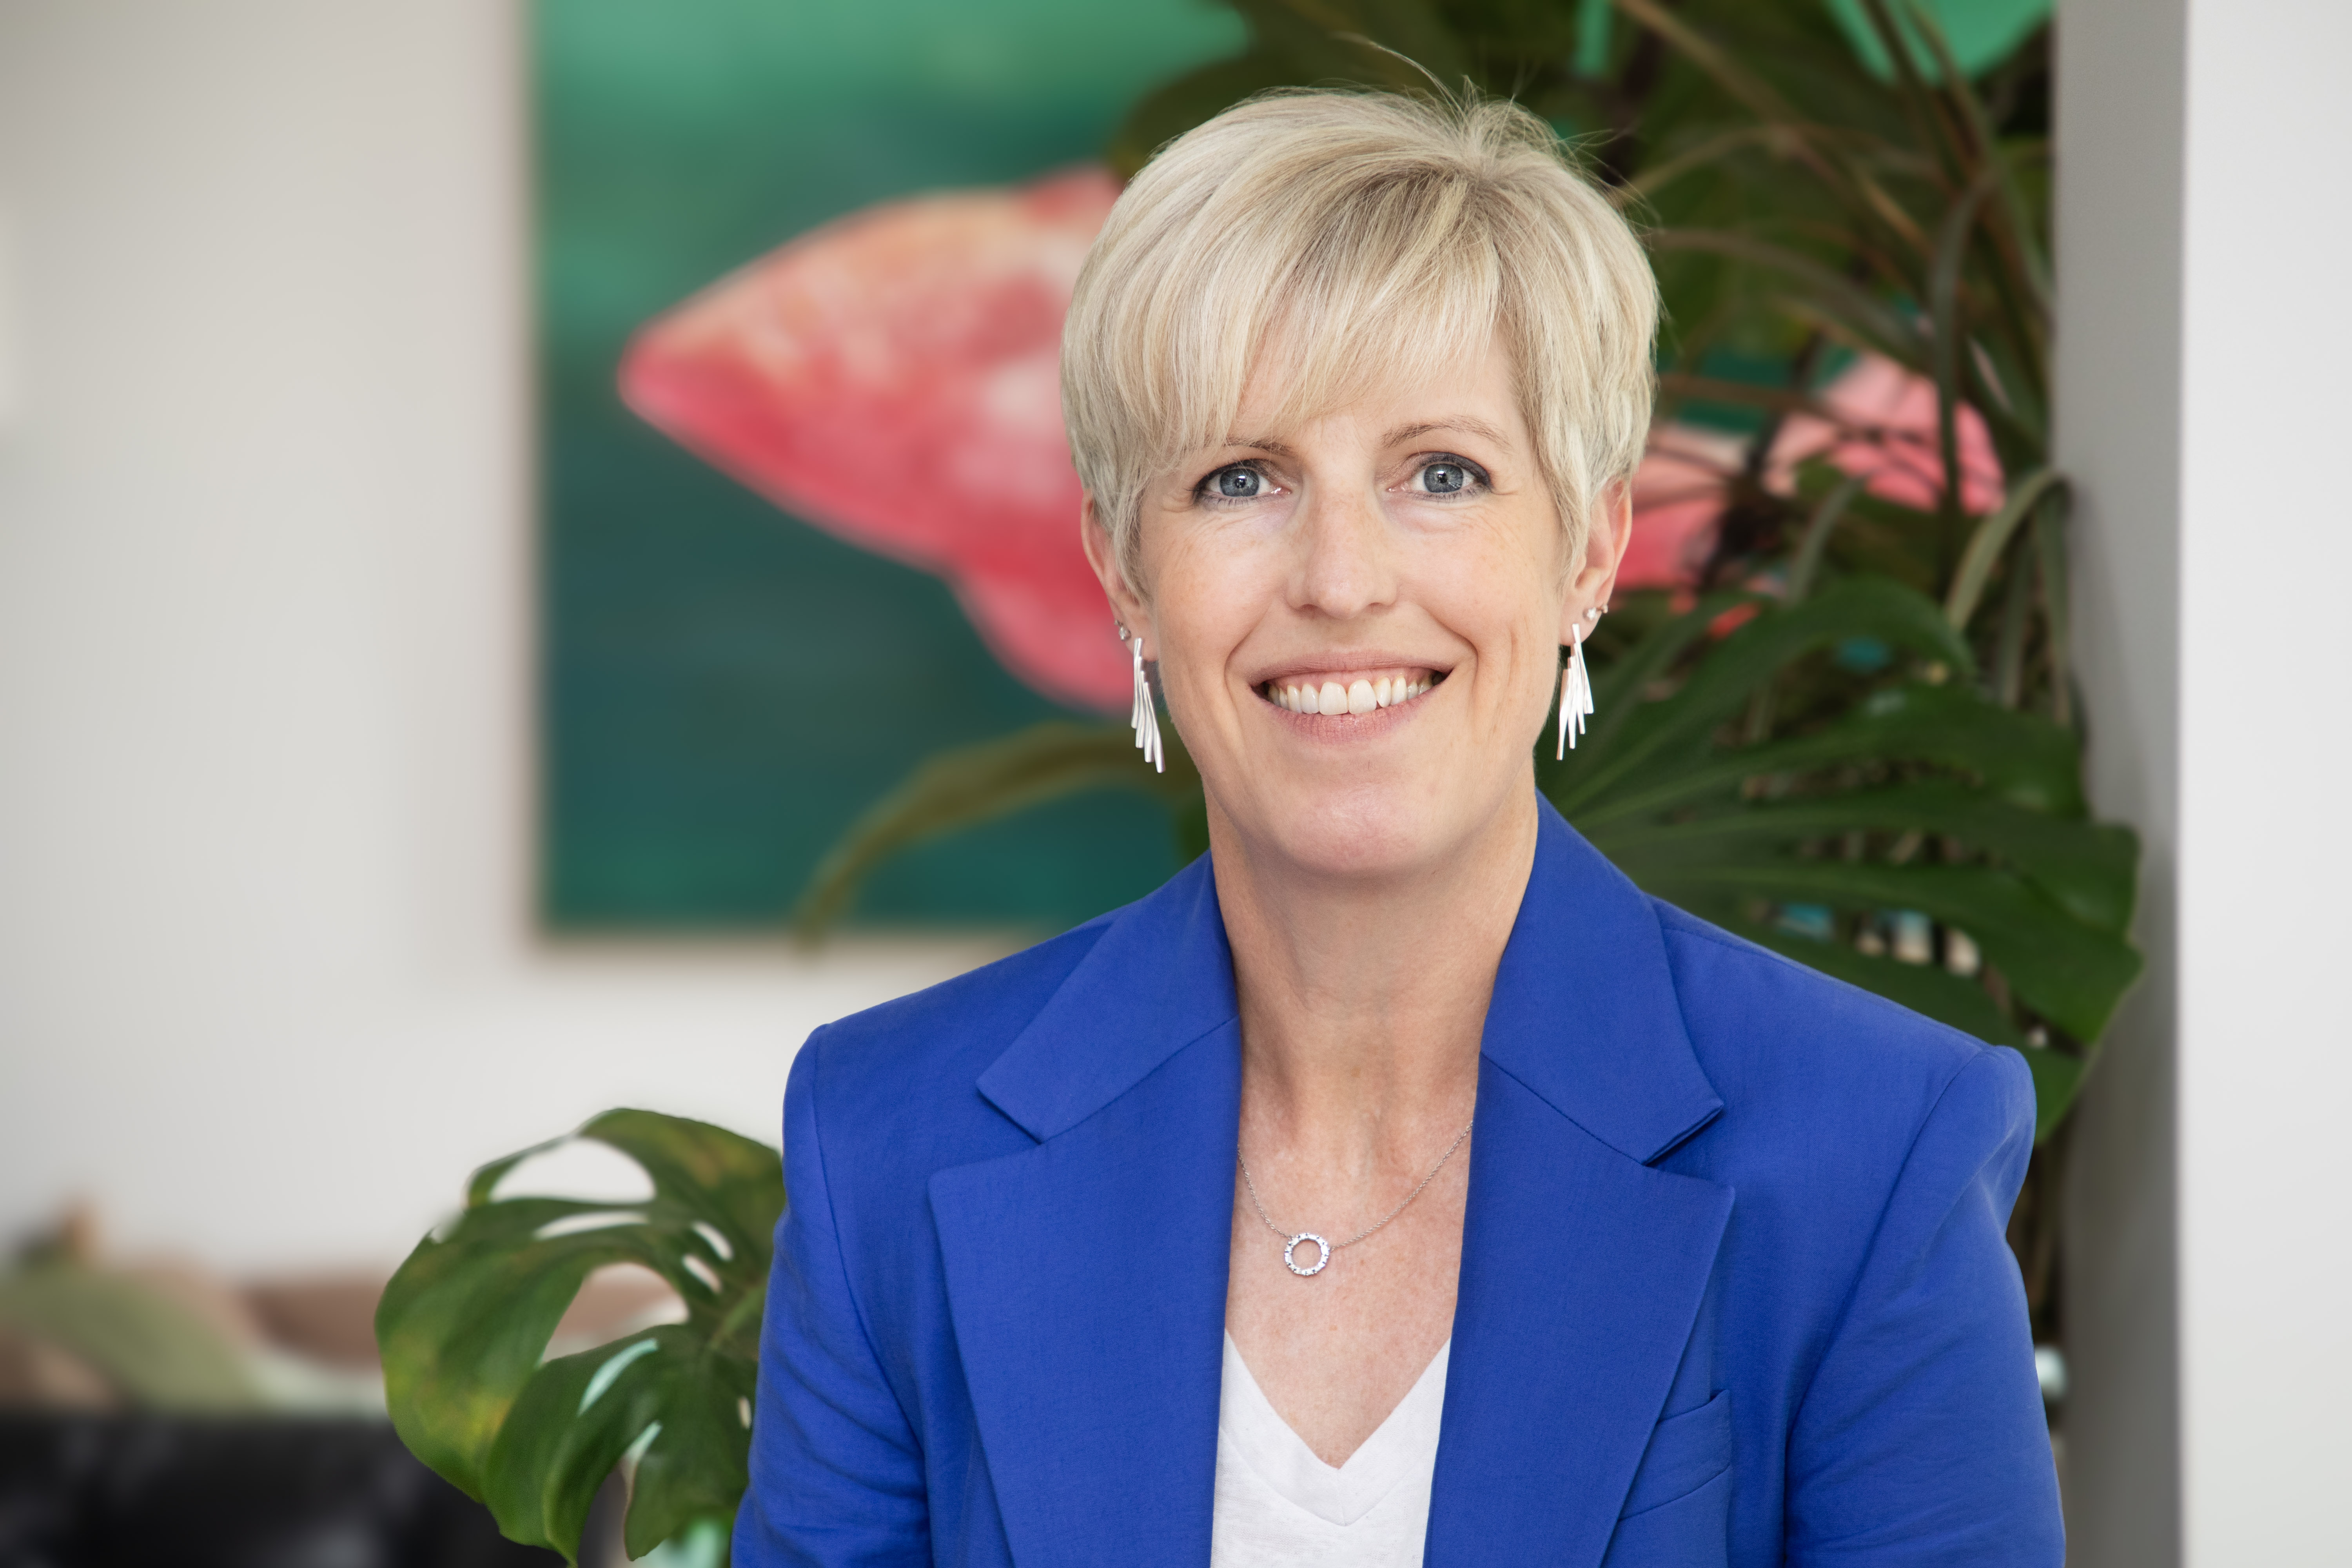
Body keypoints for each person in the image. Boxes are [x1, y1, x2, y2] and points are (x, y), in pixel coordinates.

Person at [735, 90, 2062, 1568]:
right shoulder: (887, 1142)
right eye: (1241, 478)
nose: (1342, 577)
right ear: (1123, 569)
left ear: (1591, 550)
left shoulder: (1875, 1150)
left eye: (1444, 474)